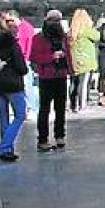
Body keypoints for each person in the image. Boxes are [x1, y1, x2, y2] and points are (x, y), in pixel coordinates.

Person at [28, 10, 71, 153]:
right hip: (46, 76)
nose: (56, 23)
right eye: (53, 20)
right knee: (44, 109)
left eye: (58, 20)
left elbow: (69, 53)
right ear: (46, 21)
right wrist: (51, 57)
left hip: (61, 75)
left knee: (60, 108)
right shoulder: (38, 38)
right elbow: (34, 57)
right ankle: (43, 139)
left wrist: (70, 67)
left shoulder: (63, 37)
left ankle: (60, 136)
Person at [0, 12, 27, 163]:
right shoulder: (13, 45)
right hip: (13, 84)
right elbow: (22, 68)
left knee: (3, 117)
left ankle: (7, 149)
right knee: (20, 115)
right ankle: (4, 147)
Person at [67, 9, 100, 112]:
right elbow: (97, 36)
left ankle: (73, 105)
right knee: (84, 83)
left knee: (74, 83)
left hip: (74, 61)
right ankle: (83, 105)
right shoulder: (86, 30)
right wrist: (91, 25)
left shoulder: (71, 32)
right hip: (85, 60)